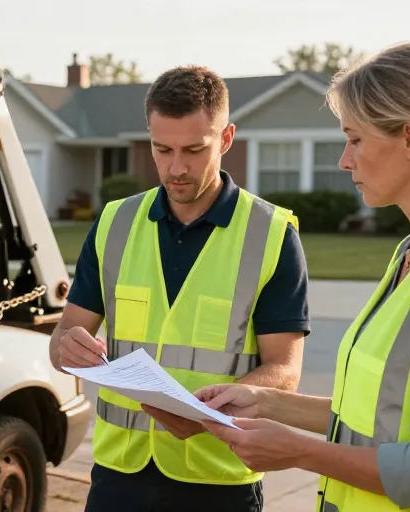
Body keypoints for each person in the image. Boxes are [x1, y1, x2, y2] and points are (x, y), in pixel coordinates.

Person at [165, 41, 410, 512]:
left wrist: (298, 451)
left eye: (355, 138)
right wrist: (264, 402)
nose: (346, 160)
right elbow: (378, 419)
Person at [47, 64, 312, 511]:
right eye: (161, 148)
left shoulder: (271, 234)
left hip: (220, 480)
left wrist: (208, 414)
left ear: (226, 139)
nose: (176, 167)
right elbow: (62, 339)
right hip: (118, 477)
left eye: (194, 149)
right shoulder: (114, 223)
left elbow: (284, 370)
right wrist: (66, 349)